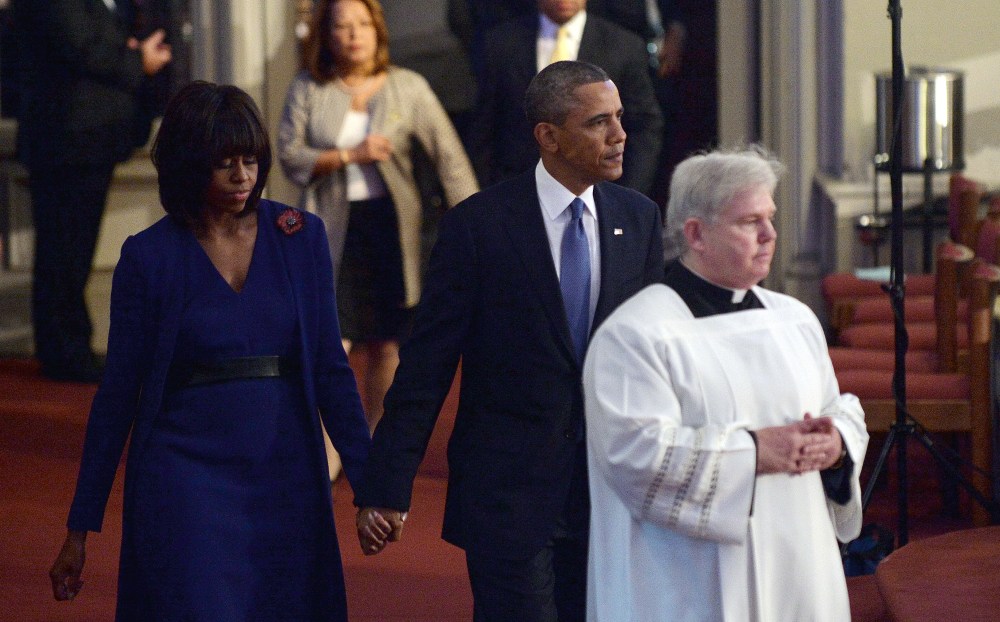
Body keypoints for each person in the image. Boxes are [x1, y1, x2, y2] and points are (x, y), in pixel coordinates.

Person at [48, 82, 371, 620]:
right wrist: (80, 526)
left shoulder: (300, 238)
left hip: (285, 468)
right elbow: (118, 395)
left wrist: (368, 487)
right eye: (225, 164)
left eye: (250, 161)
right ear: (187, 164)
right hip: (184, 475)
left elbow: (332, 372)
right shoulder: (149, 255)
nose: (243, 177)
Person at [355, 61, 664, 621]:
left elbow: (656, 360)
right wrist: (388, 484)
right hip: (508, 495)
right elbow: (427, 366)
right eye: (599, 122)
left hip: (606, 493)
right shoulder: (479, 227)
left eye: (619, 118)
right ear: (548, 136)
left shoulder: (638, 219)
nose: (620, 135)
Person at [582, 146, 868, 621]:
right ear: (696, 233)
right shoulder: (636, 334)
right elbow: (634, 455)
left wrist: (836, 442)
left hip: (798, 565)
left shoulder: (793, 320)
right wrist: (755, 452)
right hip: (690, 581)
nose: (769, 235)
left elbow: (837, 407)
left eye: (770, 219)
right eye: (749, 221)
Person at [277, 0, 478, 467]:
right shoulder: (309, 88)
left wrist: (477, 226)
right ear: (326, 36)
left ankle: (372, 445)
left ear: (378, 30)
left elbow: (451, 162)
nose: (353, 35)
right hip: (331, 233)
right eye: (342, 26)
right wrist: (348, 155)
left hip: (392, 232)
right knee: (331, 343)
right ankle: (327, 451)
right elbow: (289, 156)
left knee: (387, 342)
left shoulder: (409, 86)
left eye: (362, 25)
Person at [10, 0, 172, 382]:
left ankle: (68, 347)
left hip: (85, 139)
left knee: (72, 251)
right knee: (64, 252)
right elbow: (80, 45)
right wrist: (137, 61)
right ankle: (65, 352)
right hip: (67, 139)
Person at [467, 0, 663, 198]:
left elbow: (644, 127)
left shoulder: (623, 46)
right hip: (517, 194)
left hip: (601, 193)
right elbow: (484, 127)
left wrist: (627, 194)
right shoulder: (500, 44)